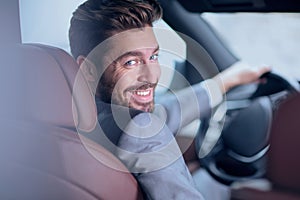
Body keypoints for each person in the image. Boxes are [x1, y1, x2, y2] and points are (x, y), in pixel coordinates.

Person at [68, 0, 270, 199]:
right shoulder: (141, 128)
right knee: (220, 184)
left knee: (204, 176)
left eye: (154, 57)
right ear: (88, 70)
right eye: (131, 62)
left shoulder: (69, 113)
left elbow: (163, 113)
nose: (151, 76)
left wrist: (225, 82)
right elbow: (144, 128)